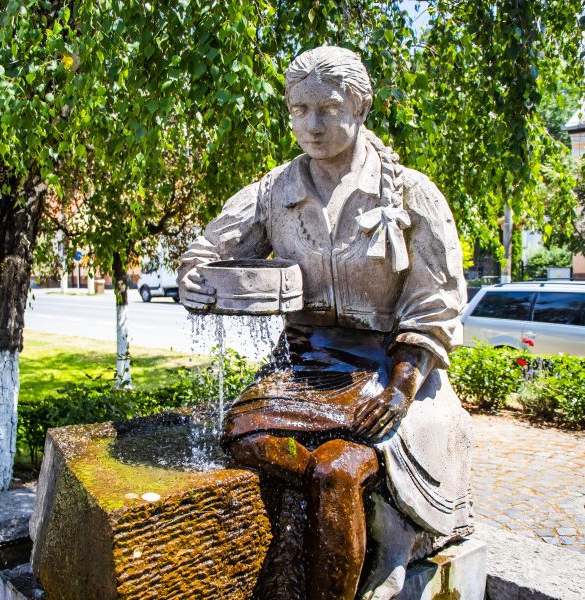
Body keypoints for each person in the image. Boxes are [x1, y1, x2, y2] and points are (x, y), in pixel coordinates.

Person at [177, 46, 472, 600]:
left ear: (360, 107)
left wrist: (401, 389)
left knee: (337, 470)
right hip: (305, 364)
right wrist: (195, 276)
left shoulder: (410, 193)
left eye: (328, 108)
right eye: (298, 110)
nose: (311, 125)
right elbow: (207, 249)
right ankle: (314, 550)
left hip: (393, 367)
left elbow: (436, 302)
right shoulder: (274, 192)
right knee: (251, 444)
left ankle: (385, 549)